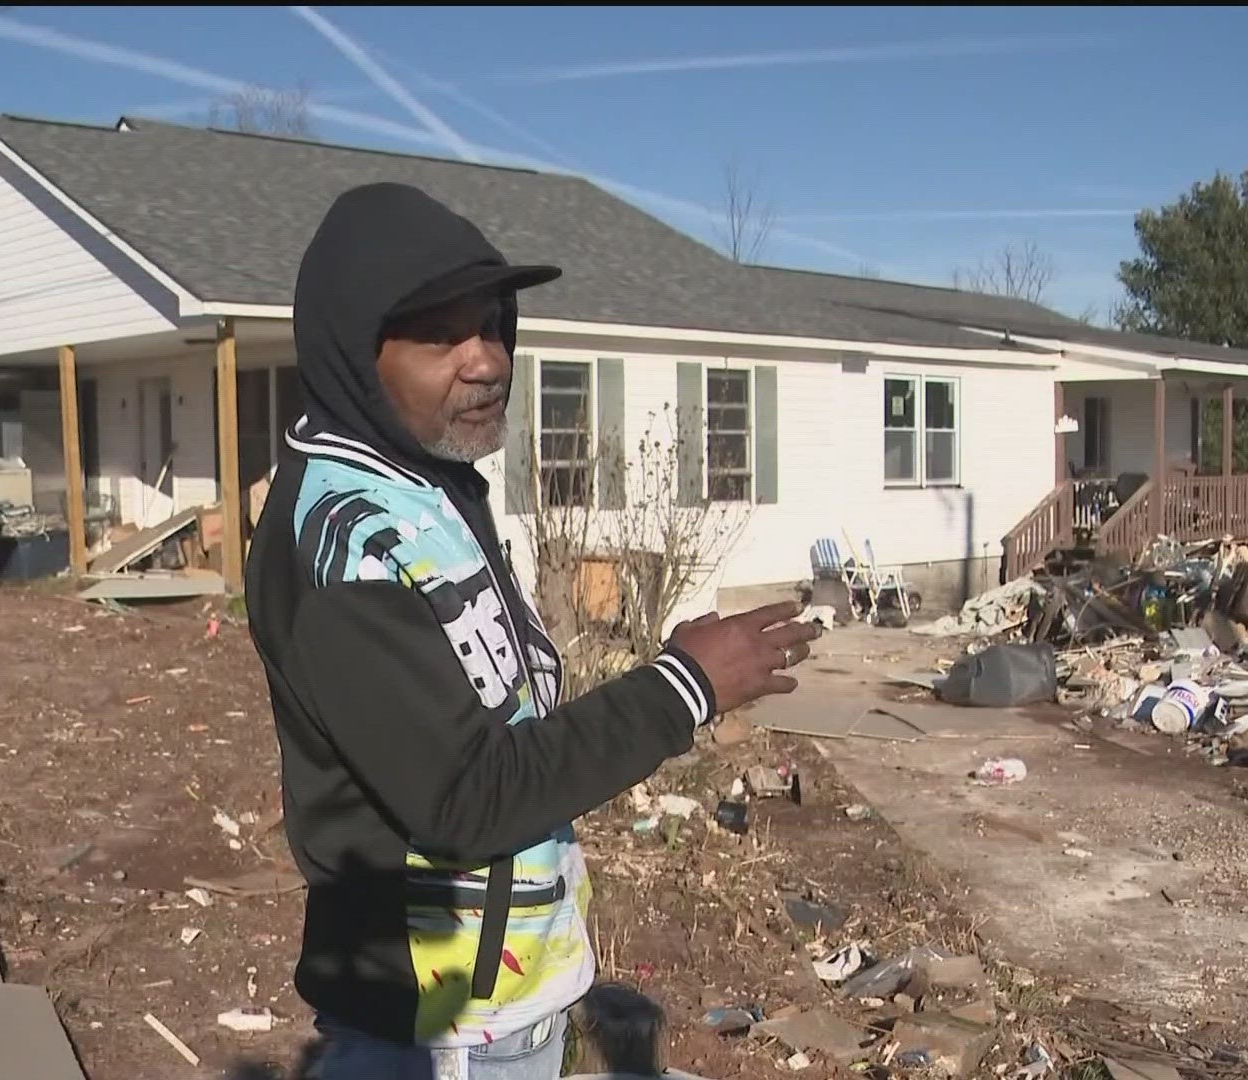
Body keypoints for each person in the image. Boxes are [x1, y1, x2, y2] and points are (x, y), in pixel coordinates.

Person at [245, 181, 820, 1080]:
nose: (485, 360)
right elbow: (466, 797)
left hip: (499, 1004)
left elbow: (505, 721)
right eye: (438, 333)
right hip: (432, 1031)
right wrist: (683, 687)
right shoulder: (349, 542)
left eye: (492, 323)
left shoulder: (431, 487)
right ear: (358, 353)